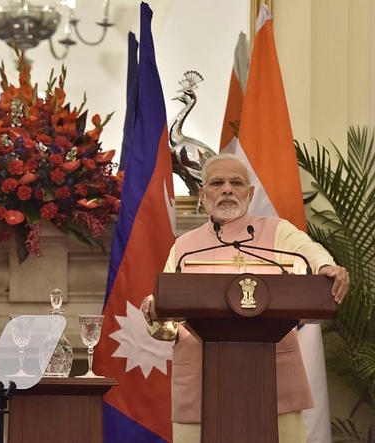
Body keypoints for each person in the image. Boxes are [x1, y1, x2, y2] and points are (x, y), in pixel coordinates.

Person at [140, 153, 350, 443]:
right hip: (201, 384)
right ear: (202, 193)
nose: (227, 189)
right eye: (217, 183)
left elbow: (309, 251)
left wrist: (325, 267)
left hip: (273, 383)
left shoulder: (278, 231)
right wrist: (156, 313)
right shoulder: (185, 247)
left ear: (249, 193)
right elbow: (167, 320)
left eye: (236, 182)